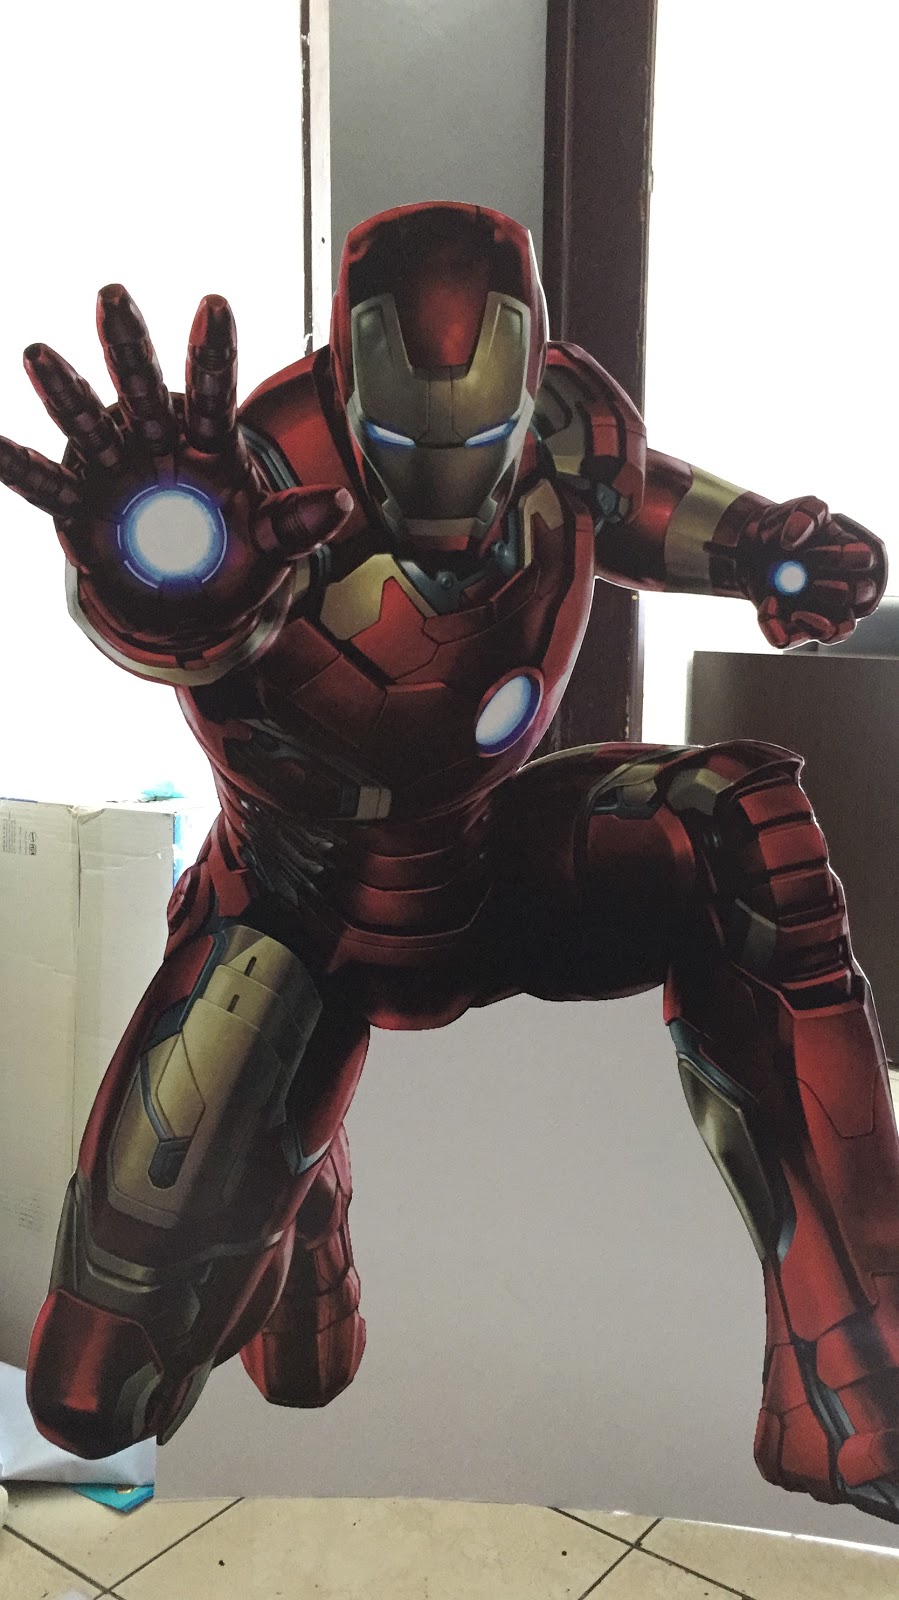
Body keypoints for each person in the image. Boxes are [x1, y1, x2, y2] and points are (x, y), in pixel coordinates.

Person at [1, 201, 896, 1523]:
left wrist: (780, 546)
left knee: (740, 823)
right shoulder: (257, 484)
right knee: (98, 1395)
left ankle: (852, 1386)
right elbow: (171, 614)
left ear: (525, 387)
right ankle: (306, 1195)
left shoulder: (568, 436)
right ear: (349, 393)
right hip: (289, 917)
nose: (449, 501)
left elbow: (659, 511)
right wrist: (156, 578)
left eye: (482, 445)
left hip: (484, 870)